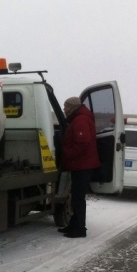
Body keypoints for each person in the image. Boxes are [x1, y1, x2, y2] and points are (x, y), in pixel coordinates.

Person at [59, 96, 100, 238]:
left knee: (78, 197)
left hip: (82, 165)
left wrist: (67, 153)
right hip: (82, 164)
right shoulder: (80, 118)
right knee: (76, 196)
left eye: (65, 106)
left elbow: (82, 143)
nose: (64, 109)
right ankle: (74, 225)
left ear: (72, 107)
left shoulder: (80, 120)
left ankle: (80, 229)